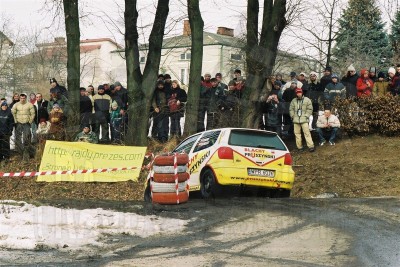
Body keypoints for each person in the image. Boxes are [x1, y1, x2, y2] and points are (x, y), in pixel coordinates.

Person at [289, 88, 315, 152]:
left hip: (304, 119)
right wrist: (292, 116)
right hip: (296, 120)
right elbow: (291, 109)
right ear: (296, 93)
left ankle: (311, 146)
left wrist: (306, 116)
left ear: (302, 92)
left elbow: (310, 109)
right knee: (297, 134)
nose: (299, 94)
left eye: (300, 92)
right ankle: (299, 147)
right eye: (297, 93)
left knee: (307, 133)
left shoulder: (307, 100)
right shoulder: (293, 100)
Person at [11, 93, 35, 160]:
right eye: (21, 98)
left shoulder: (29, 104)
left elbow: (33, 113)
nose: (22, 99)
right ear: (20, 98)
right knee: (18, 137)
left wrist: (30, 121)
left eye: (24, 98)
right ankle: (19, 152)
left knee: (27, 137)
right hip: (18, 123)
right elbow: (13, 112)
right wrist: (15, 121)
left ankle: (27, 152)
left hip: (26, 123)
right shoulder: (16, 105)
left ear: (25, 98)